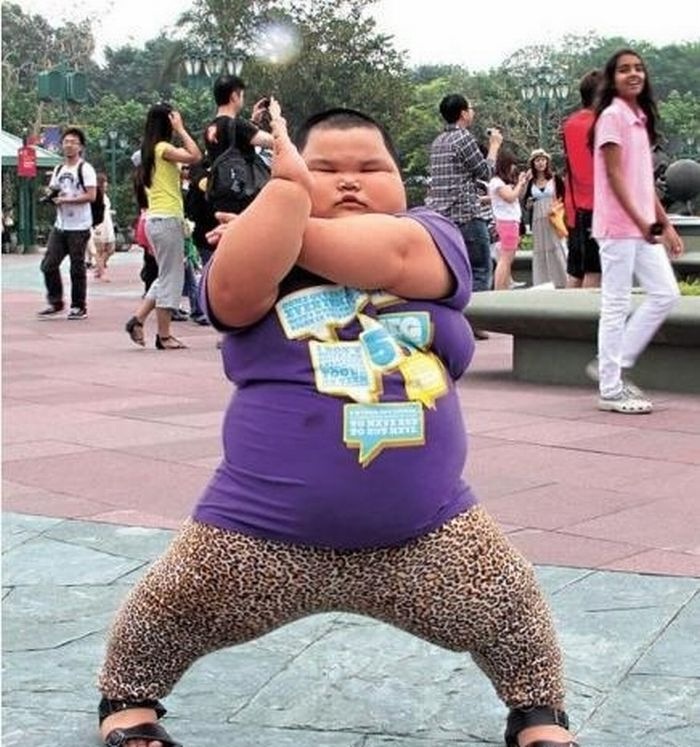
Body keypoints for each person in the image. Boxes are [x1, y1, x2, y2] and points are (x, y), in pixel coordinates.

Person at [97, 100, 578, 747]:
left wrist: (283, 226)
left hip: (426, 531)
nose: (349, 180)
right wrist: (280, 202)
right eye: (322, 169)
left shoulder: (428, 231)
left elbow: (398, 257)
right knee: (169, 607)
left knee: (510, 605)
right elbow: (231, 295)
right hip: (256, 531)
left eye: (371, 167)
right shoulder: (262, 250)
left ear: (401, 181)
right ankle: (128, 699)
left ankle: (538, 712)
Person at [589, 48, 683, 414]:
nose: (633, 74)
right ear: (612, 79)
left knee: (666, 293)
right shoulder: (612, 117)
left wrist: (665, 224)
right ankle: (610, 388)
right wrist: (642, 222)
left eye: (638, 68)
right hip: (618, 226)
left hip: (641, 227)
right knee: (616, 303)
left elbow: (644, 182)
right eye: (624, 69)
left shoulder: (639, 118)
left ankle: (613, 364)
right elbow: (614, 177)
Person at [124, 103, 201, 350]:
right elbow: (195, 155)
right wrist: (181, 129)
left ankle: (138, 319)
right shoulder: (162, 148)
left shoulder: (151, 151)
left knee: (166, 274)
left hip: (157, 220)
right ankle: (164, 335)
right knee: (171, 278)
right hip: (167, 220)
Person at [425, 94, 502, 338]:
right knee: (480, 268)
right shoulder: (463, 137)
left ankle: (453, 322)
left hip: (440, 218)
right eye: (470, 108)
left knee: (452, 272)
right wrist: (494, 146)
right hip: (466, 214)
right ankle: (474, 322)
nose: (472, 112)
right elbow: (485, 171)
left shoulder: (438, 142)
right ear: (463, 113)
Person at [37, 127, 97, 320]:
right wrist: (51, 197)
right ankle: (55, 302)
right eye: (66, 142)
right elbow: (54, 190)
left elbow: (91, 195)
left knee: (76, 267)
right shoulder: (59, 169)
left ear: (80, 147)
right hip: (61, 225)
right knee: (48, 264)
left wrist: (67, 200)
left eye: (73, 142)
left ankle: (79, 306)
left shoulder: (85, 169)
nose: (69, 145)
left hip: (79, 226)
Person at [203, 74, 274, 211]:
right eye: (242, 95)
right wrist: (276, 117)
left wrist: (253, 122)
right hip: (242, 193)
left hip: (222, 192)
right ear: (234, 96)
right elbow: (274, 142)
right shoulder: (237, 124)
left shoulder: (210, 128)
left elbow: (237, 140)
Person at [562, 70, 602, 288]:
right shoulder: (600, 124)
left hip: (575, 208)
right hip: (597, 207)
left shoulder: (570, 123)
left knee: (576, 271)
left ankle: (568, 311)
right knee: (594, 271)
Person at [523, 149, 568, 288]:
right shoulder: (531, 182)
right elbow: (525, 202)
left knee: (557, 246)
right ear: (533, 163)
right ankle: (542, 281)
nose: (540, 163)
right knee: (540, 248)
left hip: (553, 217)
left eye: (543, 160)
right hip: (537, 218)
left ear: (547, 162)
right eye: (537, 160)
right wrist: (529, 203)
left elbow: (564, 197)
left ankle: (563, 279)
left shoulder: (555, 179)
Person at [488, 151, 529, 290]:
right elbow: (510, 197)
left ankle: (504, 286)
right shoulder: (497, 182)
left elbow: (518, 196)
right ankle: (499, 288)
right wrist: (519, 183)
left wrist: (522, 183)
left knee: (507, 258)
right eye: (512, 164)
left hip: (511, 221)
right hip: (506, 222)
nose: (514, 168)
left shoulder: (503, 182)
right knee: (505, 259)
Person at [93, 172, 116, 281]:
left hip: (107, 224)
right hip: (99, 225)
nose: (106, 184)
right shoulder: (96, 195)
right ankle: (101, 272)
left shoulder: (105, 196)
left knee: (111, 248)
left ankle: (99, 267)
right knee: (100, 249)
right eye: (104, 182)